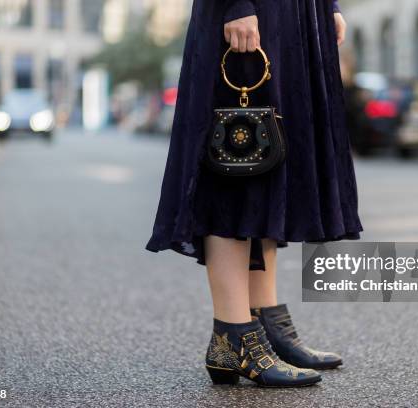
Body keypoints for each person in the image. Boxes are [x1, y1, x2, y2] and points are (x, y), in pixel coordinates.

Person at [147, 0, 362, 387]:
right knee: (237, 159)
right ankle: (233, 334)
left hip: (295, 15)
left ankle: (265, 322)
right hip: (252, 12)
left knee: (270, 160)